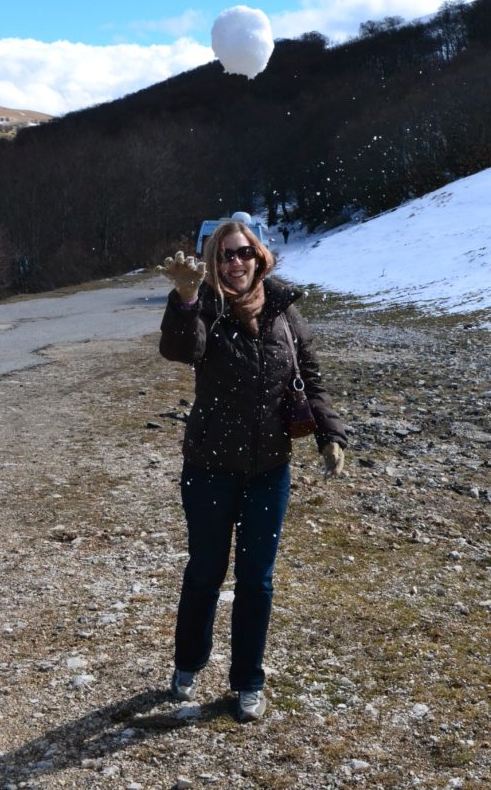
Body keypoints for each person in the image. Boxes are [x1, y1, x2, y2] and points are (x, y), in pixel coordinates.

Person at [158, 220, 346, 722]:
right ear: (211, 263)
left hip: (269, 469)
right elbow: (182, 349)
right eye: (223, 256)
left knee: (256, 581)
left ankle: (248, 681)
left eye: (242, 253)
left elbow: (312, 379)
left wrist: (330, 435)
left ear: (258, 256)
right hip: (209, 470)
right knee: (205, 572)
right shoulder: (206, 309)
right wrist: (183, 296)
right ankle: (188, 663)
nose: (234, 263)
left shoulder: (284, 311)